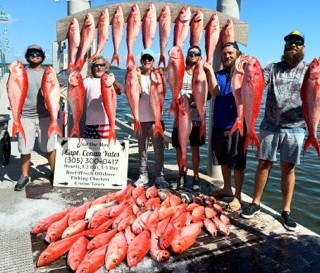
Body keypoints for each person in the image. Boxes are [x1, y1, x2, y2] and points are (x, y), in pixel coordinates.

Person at [240, 30, 308, 231]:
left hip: (296, 128)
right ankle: (256, 202)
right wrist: (246, 69)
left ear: (303, 47)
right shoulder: (272, 68)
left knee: (289, 169)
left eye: (297, 42)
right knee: (263, 164)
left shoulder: (308, 71)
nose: (293, 45)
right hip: (270, 124)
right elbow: (258, 80)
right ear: (284, 47)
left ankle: (286, 211)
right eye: (289, 42)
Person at [171, 45, 215, 191]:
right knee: (179, 148)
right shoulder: (180, 71)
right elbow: (171, 82)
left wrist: (208, 71)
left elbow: (208, 95)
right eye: (190, 53)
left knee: (195, 149)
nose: (193, 55)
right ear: (187, 55)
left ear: (200, 57)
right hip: (181, 115)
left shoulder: (203, 73)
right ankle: (181, 175)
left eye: (197, 53)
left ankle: (195, 177)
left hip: (196, 116)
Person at [13, 44, 57, 191]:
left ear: (42, 56)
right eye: (31, 53)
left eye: (38, 53)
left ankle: (54, 172)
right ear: (27, 56)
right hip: (25, 116)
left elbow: (57, 91)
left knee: (49, 146)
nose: (35, 55)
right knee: (25, 148)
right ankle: (24, 176)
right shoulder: (21, 72)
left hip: (46, 116)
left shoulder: (48, 73)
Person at [210, 42, 247, 212]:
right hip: (219, 125)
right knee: (224, 161)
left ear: (238, 54)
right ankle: (227, 188)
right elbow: (214, 92)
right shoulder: (218, 74)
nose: (227, 56)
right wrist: (209, 71)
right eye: (224, 54)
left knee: (238, 164)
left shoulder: (244, 73)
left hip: (237, 126)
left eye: (231, 53)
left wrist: (244, 69)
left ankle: (237, 196)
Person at [134, 49, 169, 188]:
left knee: (158, 149)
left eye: (149, 59)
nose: (147, 61)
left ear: (153, 61)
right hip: (140, 119)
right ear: (141, 61)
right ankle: (143, 175)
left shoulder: (159, 76)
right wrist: (135, 78)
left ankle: (159, 176)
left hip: (156, 120)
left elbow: (163, 92)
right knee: (142, 149)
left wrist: (158, 76)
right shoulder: (137, 77)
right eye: (144, 59)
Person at [83, 55, 121, 139]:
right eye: (96, 65)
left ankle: (112, 132)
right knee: (90, 150)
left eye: (101, 65)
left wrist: (113, 81)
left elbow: (119, 91)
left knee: (106, 150)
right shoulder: (87, 80)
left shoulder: (109, 79)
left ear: (105, 67)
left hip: (106, 123)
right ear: (92, 68)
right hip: (90, 123)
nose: (99, 67)